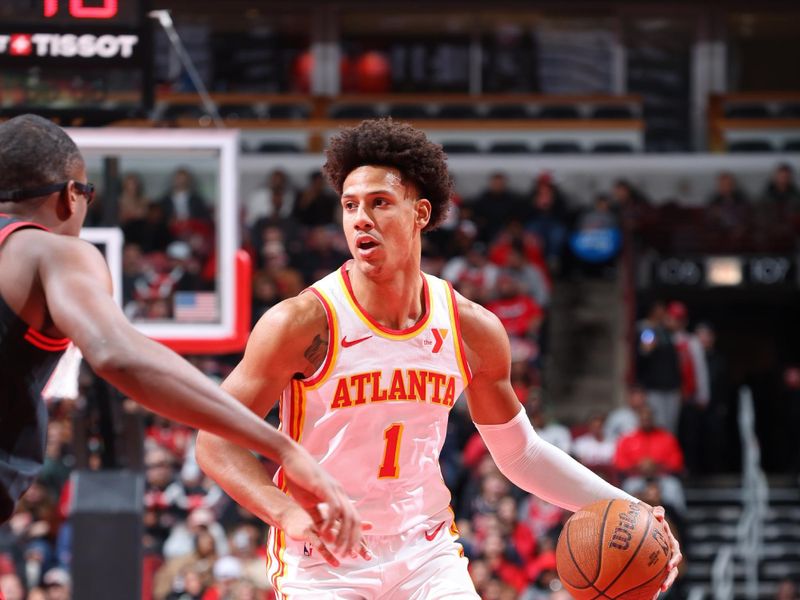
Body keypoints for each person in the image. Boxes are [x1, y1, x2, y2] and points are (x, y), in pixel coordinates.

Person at [196, 118, 681, 598]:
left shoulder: (470, 327)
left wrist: (633, 509)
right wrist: (284, 512)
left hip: (424, 552)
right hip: (323, 560)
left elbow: (520, 453)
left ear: (420, 213)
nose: (360, 218)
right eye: (349, 206)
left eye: (380, 203)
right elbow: (216, 440)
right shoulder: (302, 322)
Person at [0, 114, 363, 554]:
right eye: (88, 193)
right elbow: (116, 353)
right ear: (69, 196)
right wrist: (282, 448)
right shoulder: (51, 252)